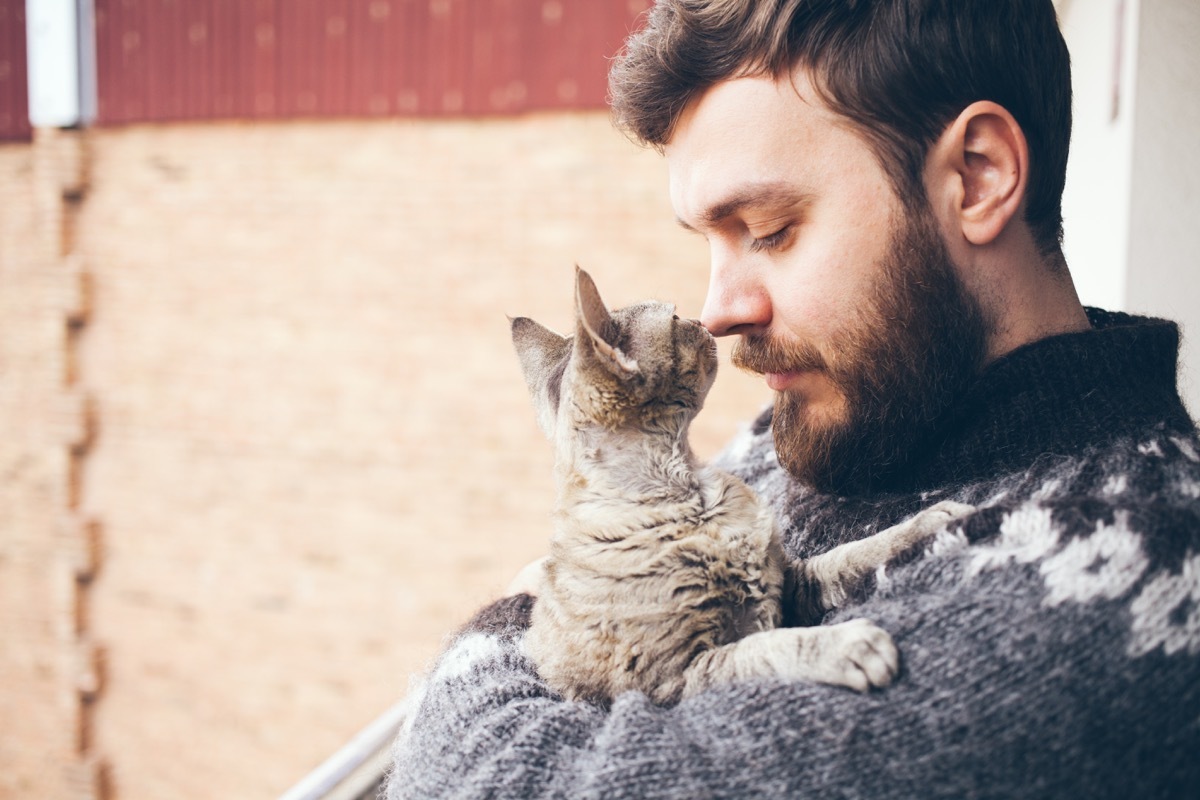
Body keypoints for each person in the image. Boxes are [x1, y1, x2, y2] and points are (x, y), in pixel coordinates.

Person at [387, 1, 1200, 797]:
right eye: (708, 242)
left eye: (771, 230)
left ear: (977, 177)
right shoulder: (842, 414)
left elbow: (483, 783)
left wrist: (526, 608)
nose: (715, 311)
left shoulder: (1109, 593)